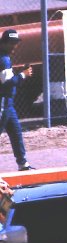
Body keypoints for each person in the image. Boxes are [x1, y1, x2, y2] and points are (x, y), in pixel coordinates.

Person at [0, 29, 34, 171]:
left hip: (9, 103)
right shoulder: (4, 59)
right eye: (12, 43)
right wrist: (23, 75)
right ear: (4, 43)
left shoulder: (5, 57)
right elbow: (7, 83)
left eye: (16, 43)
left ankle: (23, 164)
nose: (15, 46)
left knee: (16, 132)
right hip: (3, 102)